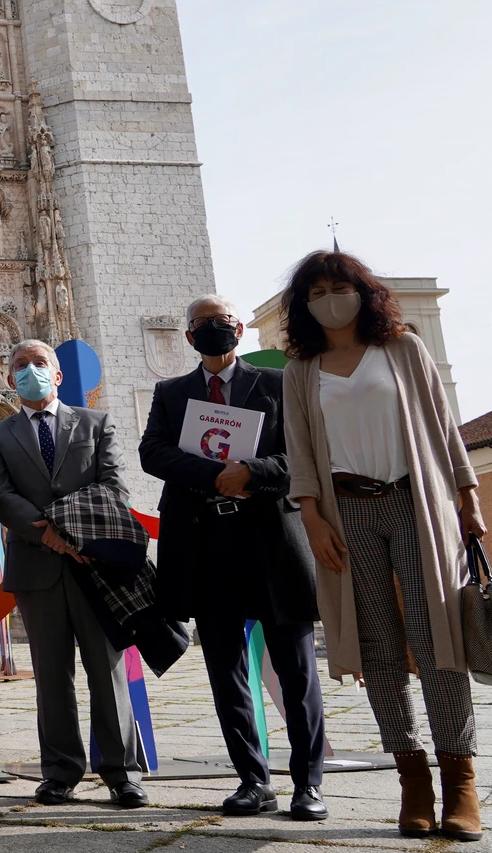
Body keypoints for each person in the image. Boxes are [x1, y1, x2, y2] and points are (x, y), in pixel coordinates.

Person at [279, 251, 486, 842]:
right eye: (316, 290)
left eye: (339, 286)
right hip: (347, 515)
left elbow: (444, 426)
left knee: (436, 636)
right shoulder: (301, 369)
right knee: (378, 650)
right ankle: (412, 779)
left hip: (415, 503)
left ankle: (461, 780)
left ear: (363, 292)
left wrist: (469, 500)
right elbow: (299, 451)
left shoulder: (403, 349)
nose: (329, 297)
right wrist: (312, 519)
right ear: (303, 304)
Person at [140, 296, 326, 821]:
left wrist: (253, 470)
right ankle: (252, 779)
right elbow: (152, 452)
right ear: (188, 337)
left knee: (297, 670)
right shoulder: (171, 392)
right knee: (226, 671)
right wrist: (213, 474)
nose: (211, 330)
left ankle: (308, 783)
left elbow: (305, 454)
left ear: (238, 329)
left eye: (220, 322)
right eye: (201, 325)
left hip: (271, 542)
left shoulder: (277, 384)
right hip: (204, 545)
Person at [0, 340, 148, 808]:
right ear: (9, 379)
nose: (29, 371)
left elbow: (113, 484)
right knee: (51, 676)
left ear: (57, 375)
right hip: (37, 568)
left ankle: (122, 773)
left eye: (39, 364)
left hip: (95, 564)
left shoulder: (95, 423)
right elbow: (0, 496)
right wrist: (49, 535)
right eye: (19, 366)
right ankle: (60, 772)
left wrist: (71, 533)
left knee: (107, 670)